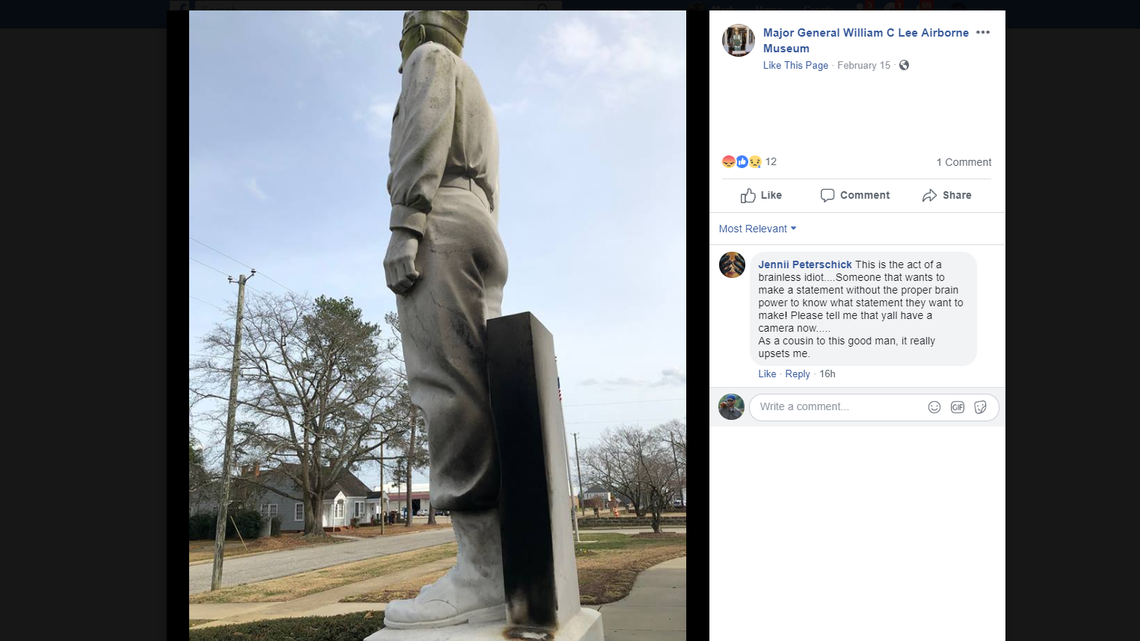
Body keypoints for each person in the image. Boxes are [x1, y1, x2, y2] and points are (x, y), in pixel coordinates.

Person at [382, 10, 509, 630]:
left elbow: (425, 128)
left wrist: (407, 224)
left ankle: (481, 572)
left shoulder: (429, 61)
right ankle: (498, 565)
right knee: (480, 393)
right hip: (478, 219)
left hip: (443, 219)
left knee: (449, 392)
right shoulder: (474, 79)